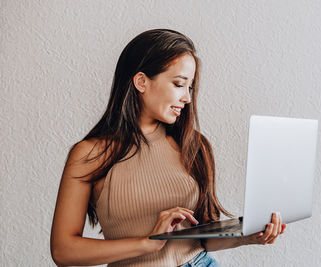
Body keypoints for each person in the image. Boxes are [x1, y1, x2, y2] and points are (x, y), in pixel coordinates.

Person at [50, 28, 286, 267]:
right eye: (178, 84)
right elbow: (63, 251)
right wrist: (147, 242)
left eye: (190, 87)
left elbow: (204, 239)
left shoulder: (194, 145)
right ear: (141, 81)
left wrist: (247, 236)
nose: (188, 98)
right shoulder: (90, 154)